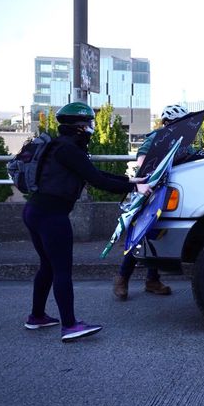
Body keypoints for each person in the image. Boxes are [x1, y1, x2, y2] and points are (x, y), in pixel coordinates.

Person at [23, 102, 151, 342]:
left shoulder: (61, 146)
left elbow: (95, 174)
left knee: (47, 266)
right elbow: (97, 180)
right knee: (61, 270)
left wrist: (134, 181)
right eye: (89, 123)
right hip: (52, 216)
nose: (91, 128)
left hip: (36, 210)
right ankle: (70, 326)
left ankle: (37, 316)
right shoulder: (69, 150)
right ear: (80, 127)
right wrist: (137, 187)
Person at [112, 104, 189, 300]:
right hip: (148, 191)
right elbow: (142, 160)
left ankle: (152, 280)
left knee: (156, 234)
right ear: (168, 123)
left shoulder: (184, 141)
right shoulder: (157, 137)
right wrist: (154, 171)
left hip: (170, 193)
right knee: (140, 234)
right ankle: (122, 278)